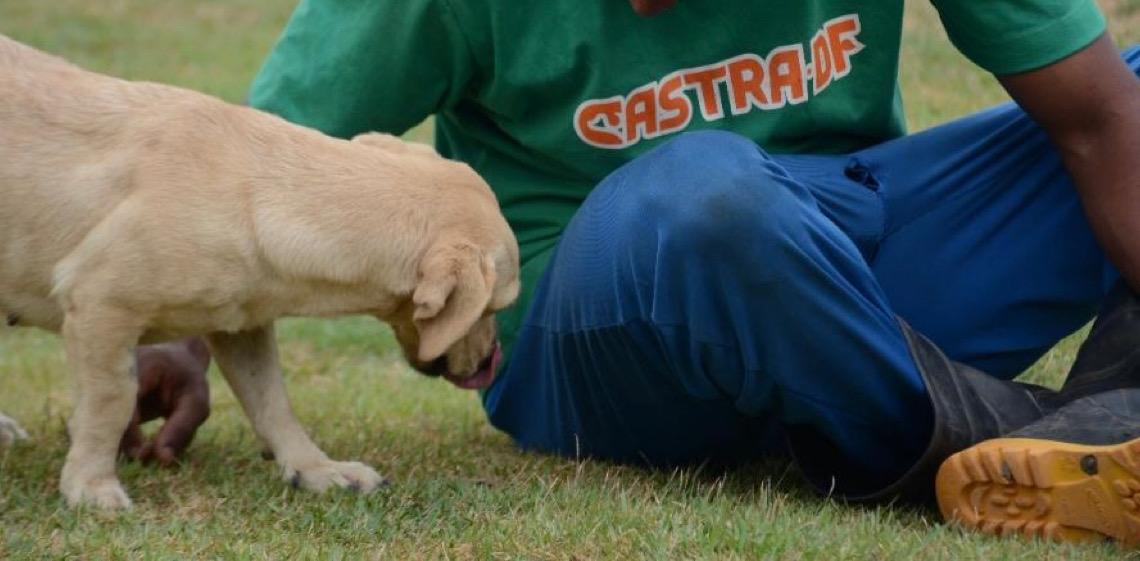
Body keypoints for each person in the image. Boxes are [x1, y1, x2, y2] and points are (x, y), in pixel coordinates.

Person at [160, 0, 1140, 545]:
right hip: (599, 323)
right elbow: (256, 169)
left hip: (848, 262)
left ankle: (1115, 415)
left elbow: (1100, 116)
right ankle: (993, 444)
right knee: (706, 197)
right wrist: (178, 337)